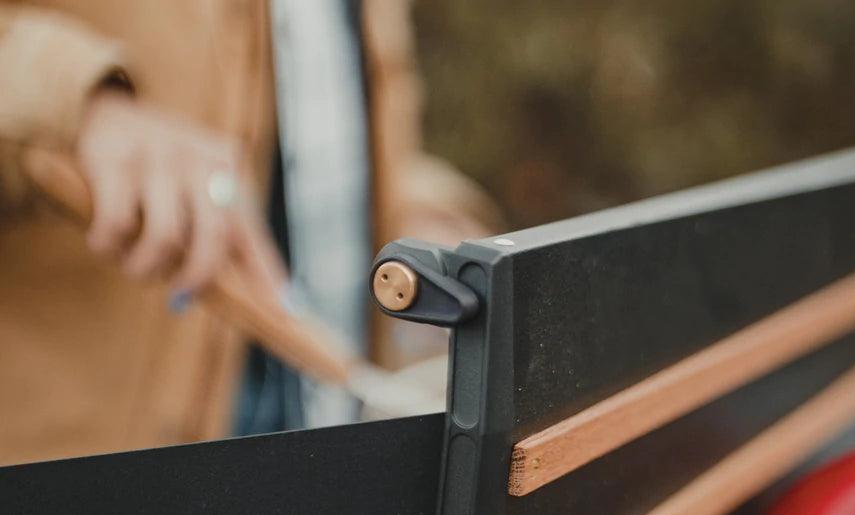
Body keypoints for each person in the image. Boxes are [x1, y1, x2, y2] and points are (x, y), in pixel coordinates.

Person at [0, 0, 497, 466]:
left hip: (325, 426)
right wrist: (79, 106)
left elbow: (325, 135)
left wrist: (426, 213)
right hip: (84, 462)